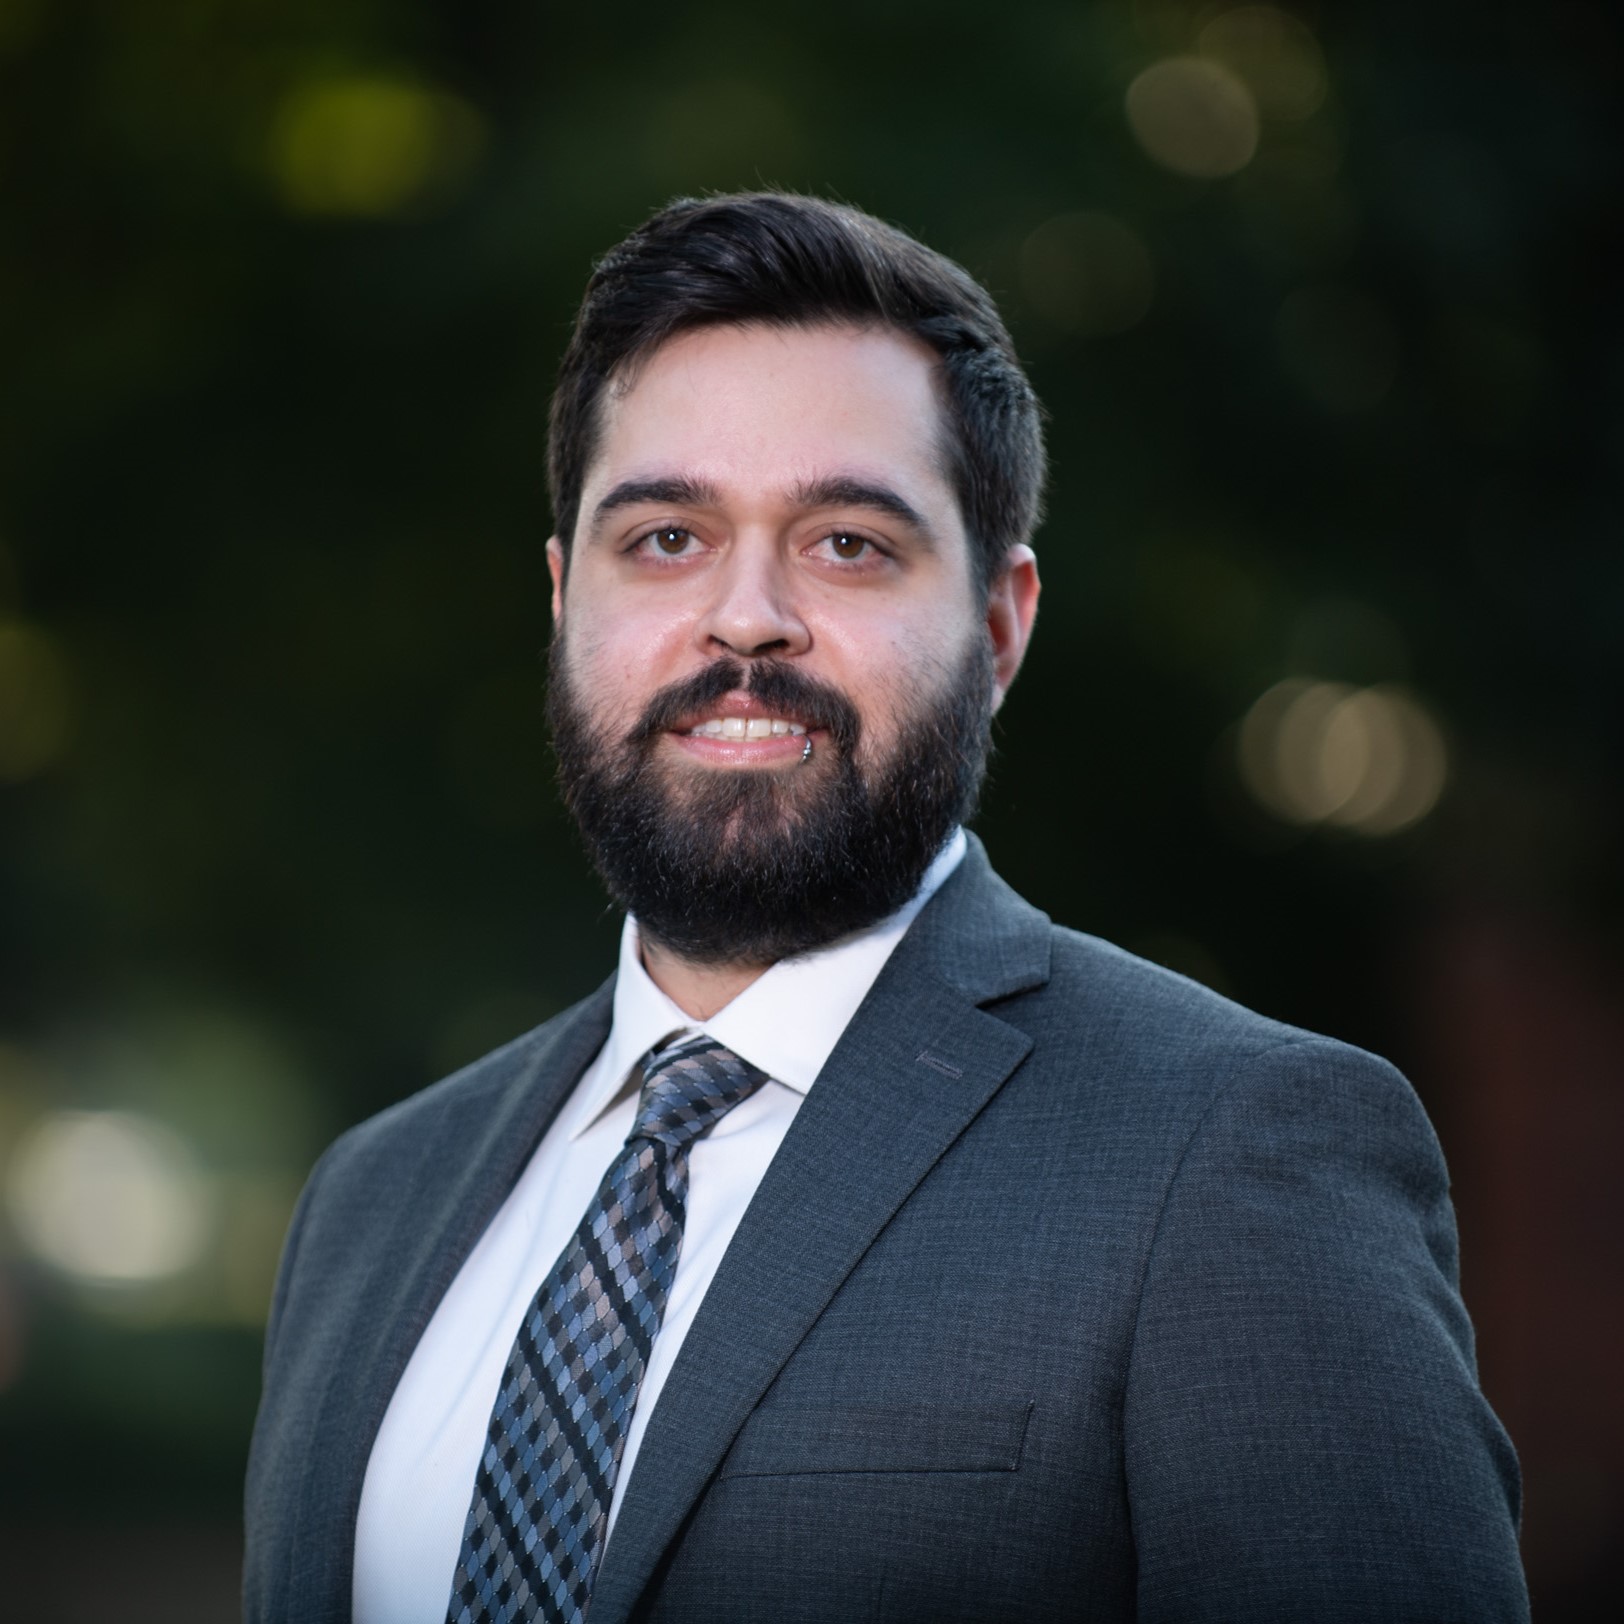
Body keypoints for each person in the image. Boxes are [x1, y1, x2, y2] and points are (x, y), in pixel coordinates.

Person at [244, 193, 1528, 1623]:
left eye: (847, 543)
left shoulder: (1234, 1158)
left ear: (997, 627)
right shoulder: (371, 1201)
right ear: (563, 602)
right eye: (664, 537)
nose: (744, 618)